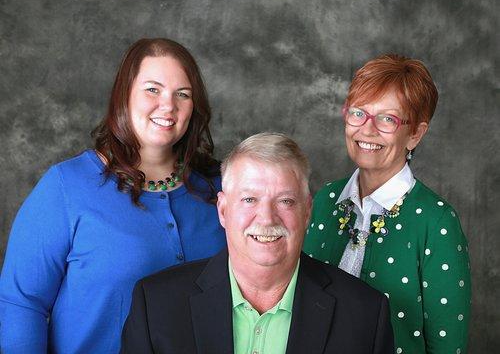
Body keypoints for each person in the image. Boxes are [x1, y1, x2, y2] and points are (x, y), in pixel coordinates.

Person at [0, 38, 226, 353]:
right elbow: (21, 303)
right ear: (125, 95)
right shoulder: (66, 187)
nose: (168, 105)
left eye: (183, 94)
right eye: (152, 89)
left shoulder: (222, 187)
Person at [120, 132, 395, 354]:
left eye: (285, 201)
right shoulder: (156, 305)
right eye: (249, 199)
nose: (266, 218)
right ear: (224, 210)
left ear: (307, 212)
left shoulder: (366, 314)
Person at [303, 54, 471, 354]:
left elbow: (447, 344)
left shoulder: (437, 222)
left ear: (415, 134)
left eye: (387, 119)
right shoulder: (326, 200)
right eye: (358, 113)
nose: (367, 130)